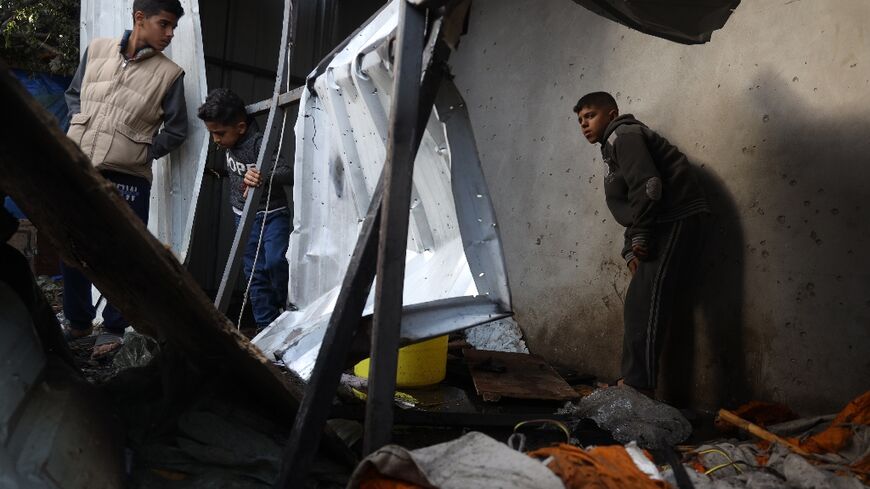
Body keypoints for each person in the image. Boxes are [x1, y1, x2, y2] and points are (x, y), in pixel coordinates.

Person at [63, 0, 188, 358]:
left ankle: (114, 327)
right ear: (139, 18)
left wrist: (141, 152)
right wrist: (79, 123)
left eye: (174, 28)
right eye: (164, 24)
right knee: (72, 246)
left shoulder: (171, 74)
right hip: (81, 165)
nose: (169, 34)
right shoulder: (97, 50)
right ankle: (79, 323)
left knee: (122, 254)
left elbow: (177, 130)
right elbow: (74, 94)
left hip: (129, 177)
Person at [574, 91, 709, 397]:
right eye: (580, 120)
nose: (584, 124)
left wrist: (641, 235)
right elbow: (635, 200)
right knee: (643, 300)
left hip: (675, 216)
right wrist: (630, 243)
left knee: (643, 300)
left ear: (611, 114)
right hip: (661, 219)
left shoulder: (624, 134)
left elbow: (649, 186)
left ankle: (637, 386)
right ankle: (635, 381)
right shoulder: (612, 146)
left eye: (590, 115)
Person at [197, 88, 292, 333]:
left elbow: (287, 172)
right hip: (243, 217)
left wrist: (262, 176)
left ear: (240, 127)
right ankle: (265, 327)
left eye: (219, 133)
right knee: (254, 274)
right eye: (212, 134)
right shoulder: (229, 140)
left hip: (273, 215)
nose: (216, 140)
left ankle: (287, 308)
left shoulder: (259, 142)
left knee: (275, 262)